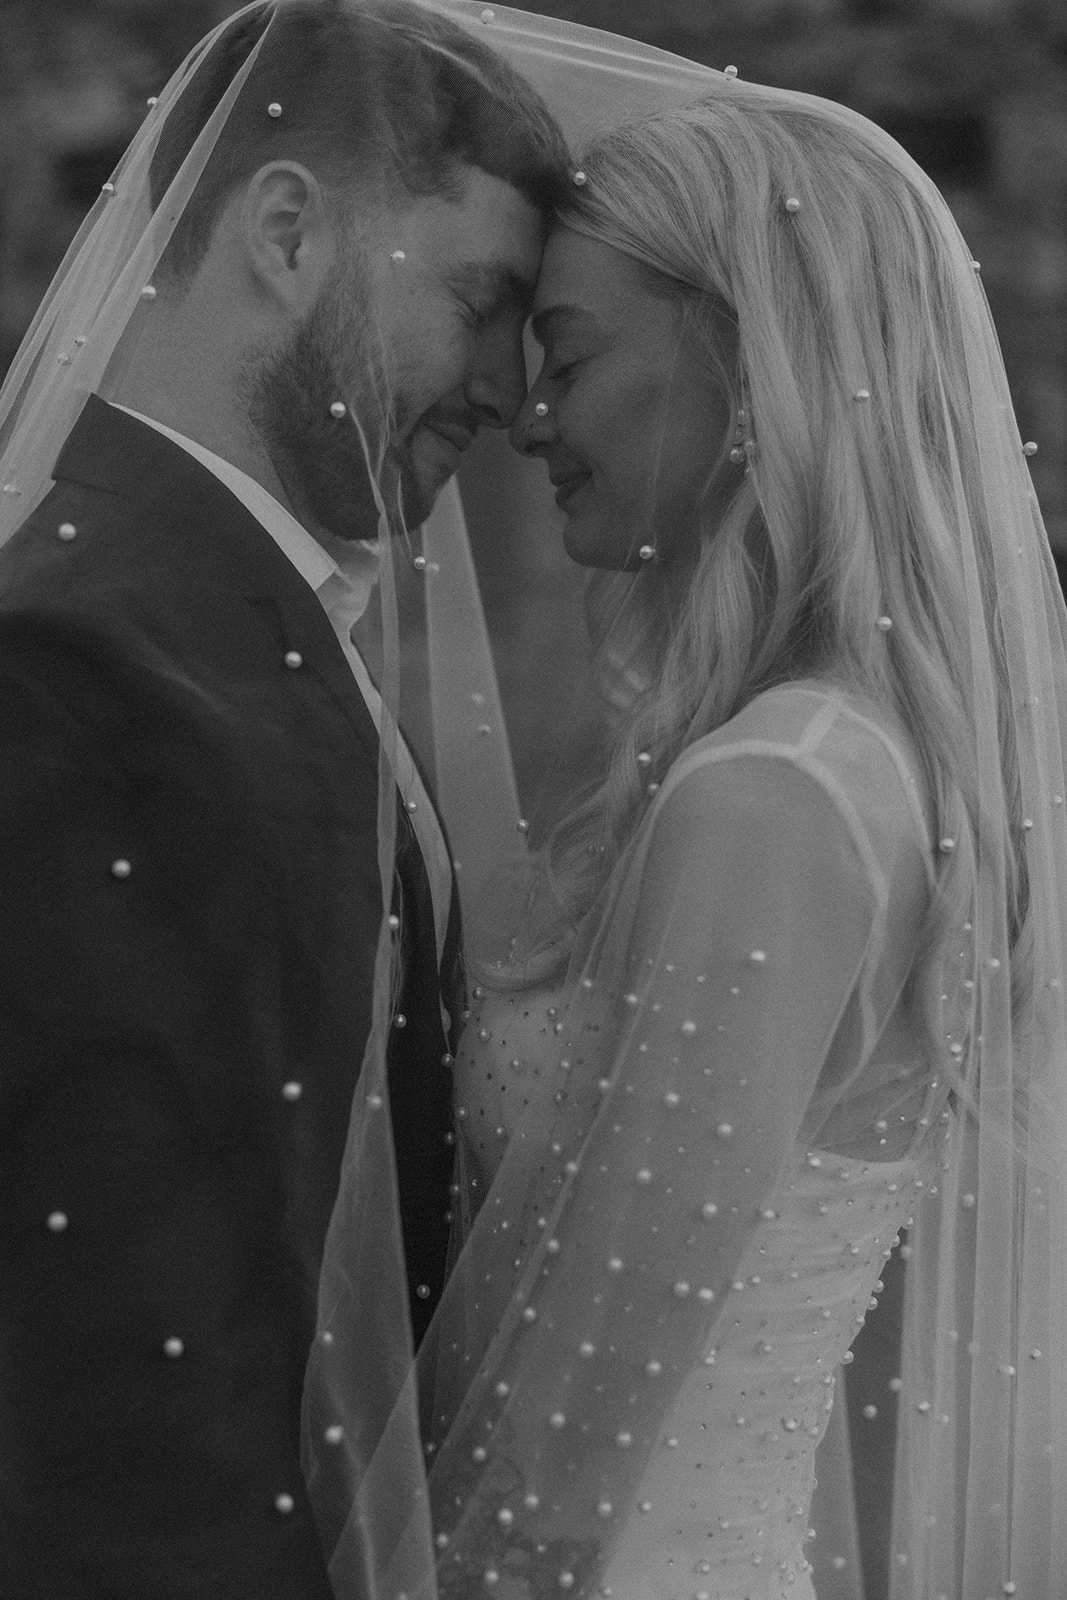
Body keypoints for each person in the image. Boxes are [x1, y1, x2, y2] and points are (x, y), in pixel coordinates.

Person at [349, 71, 1067, 1600]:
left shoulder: (777, 799)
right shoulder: (868, 761)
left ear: (751, 367)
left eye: (571, 355)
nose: (529, 421)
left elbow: (560, 1479)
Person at [0, 3, 568, 1595]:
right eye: (482, 301)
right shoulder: (67, 661)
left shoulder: (266, 616)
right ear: (291, 230)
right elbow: (106, 1355)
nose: (515, 394)